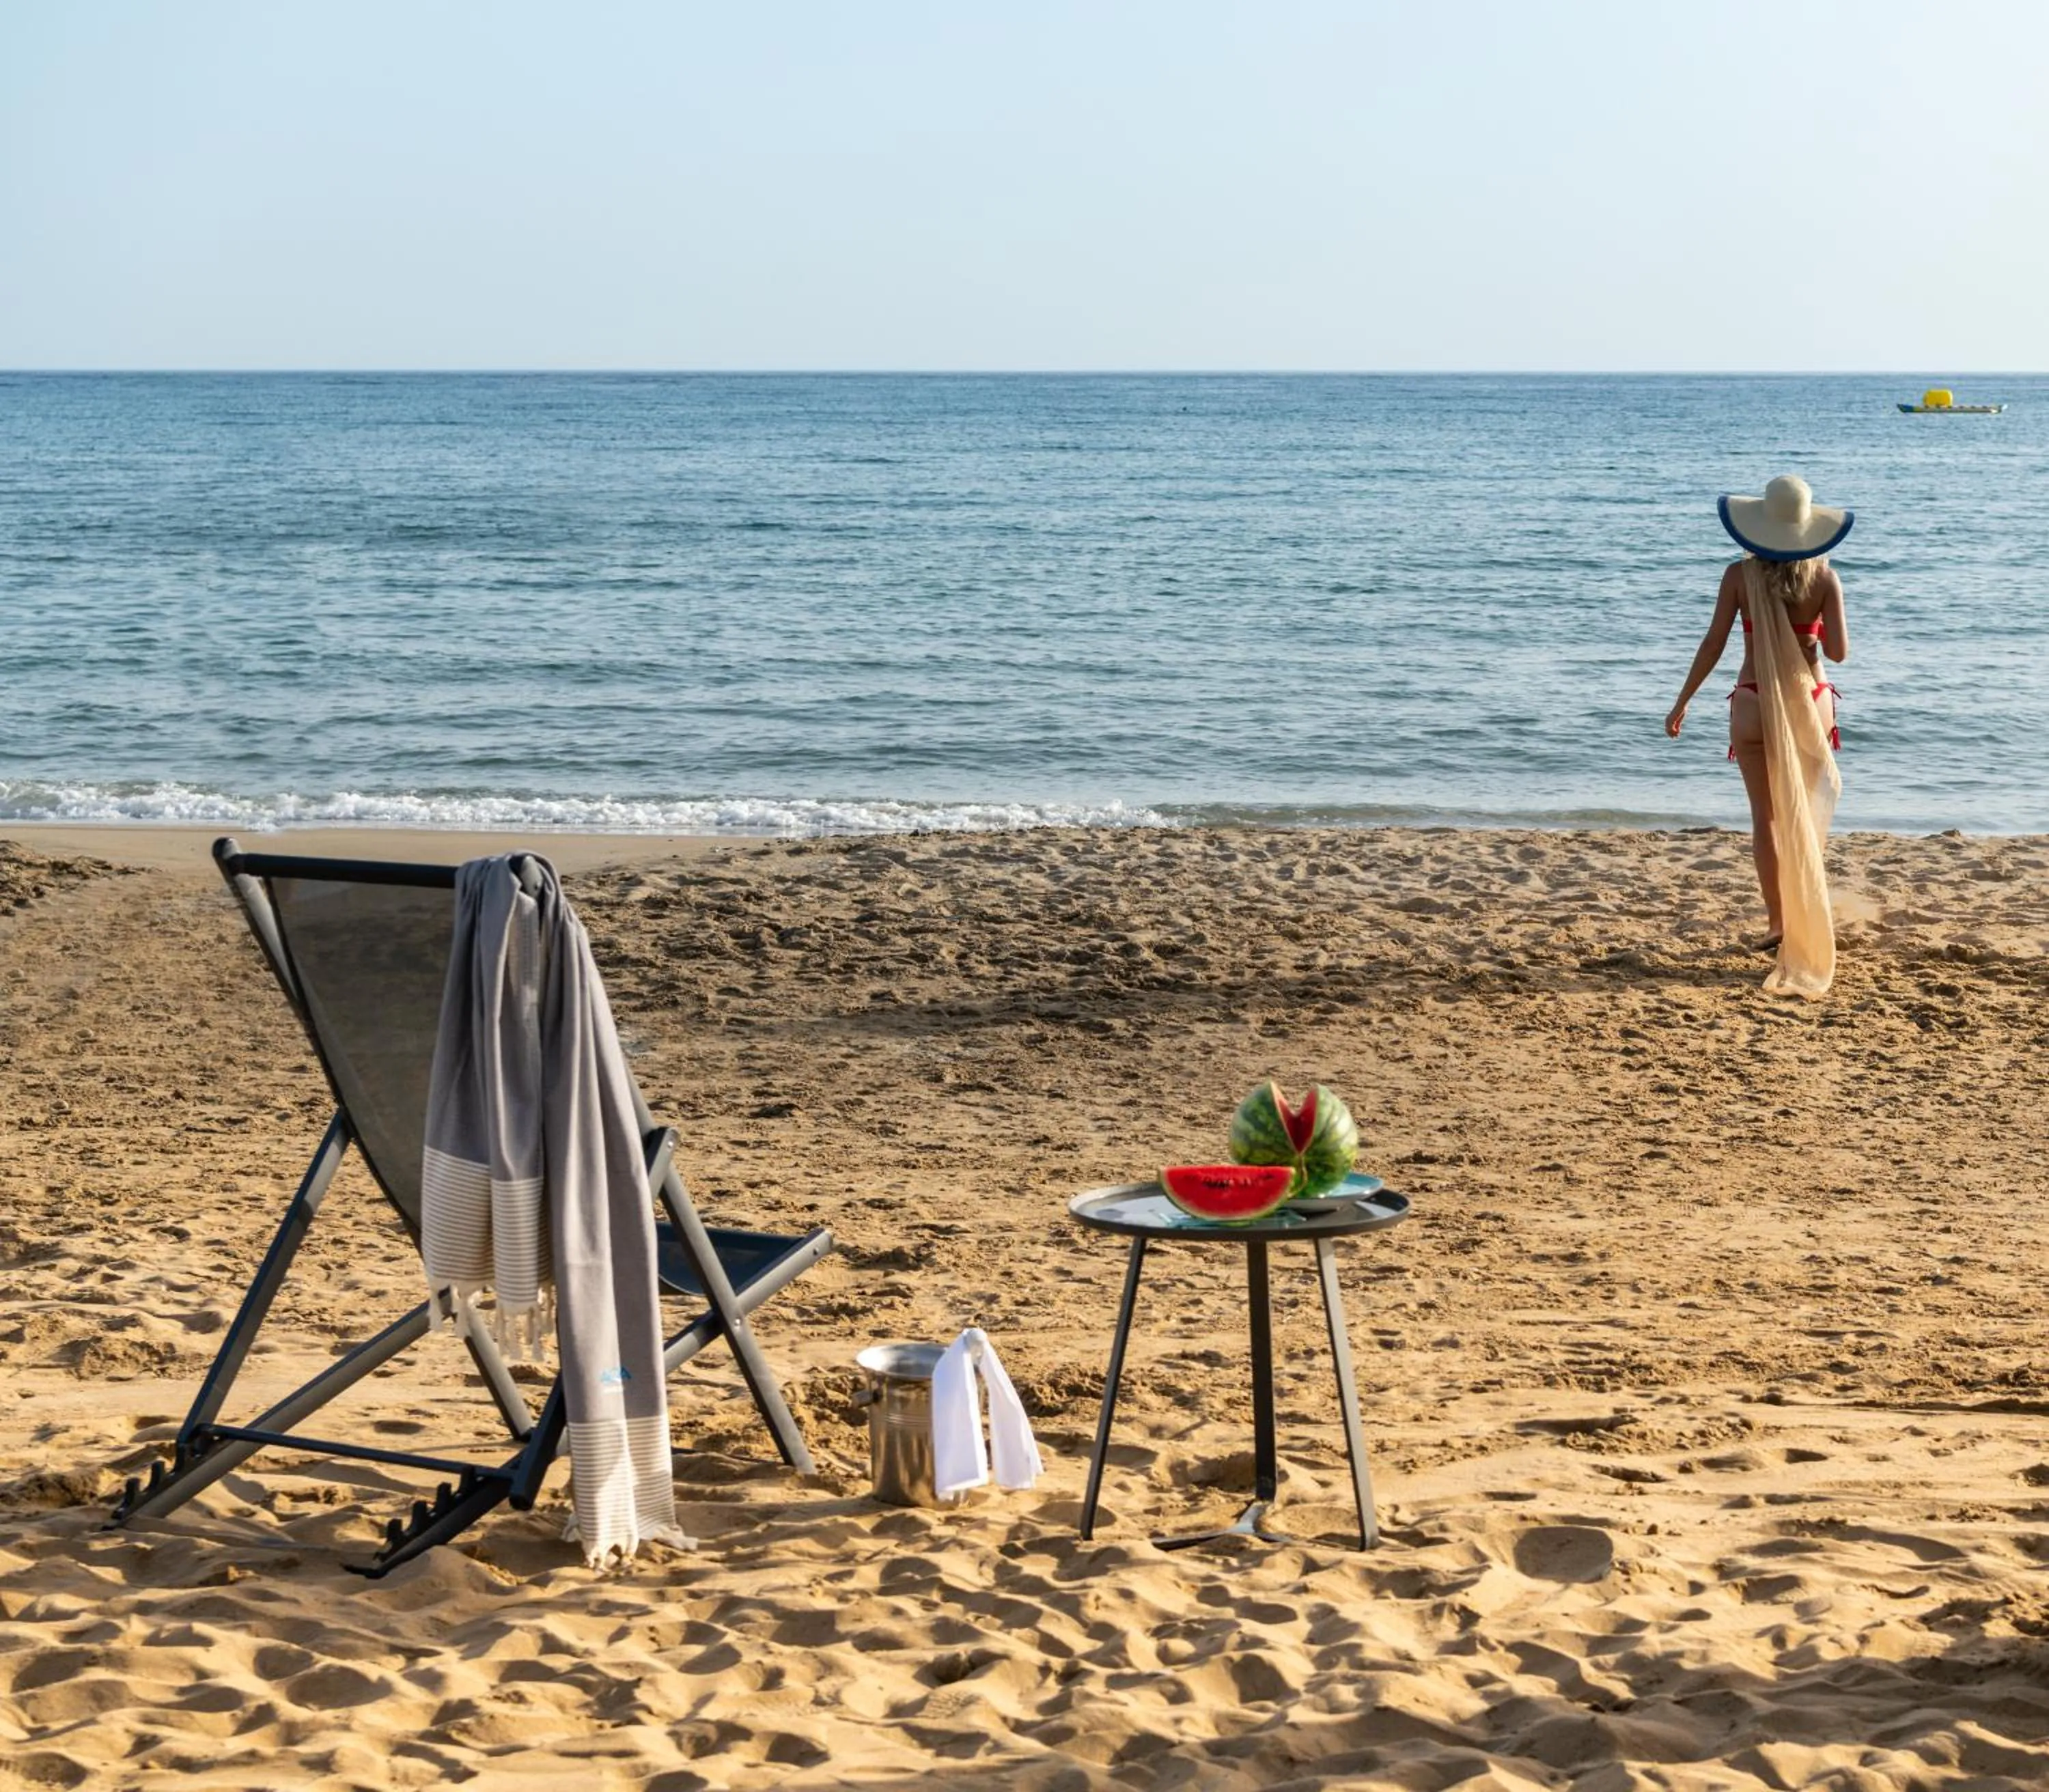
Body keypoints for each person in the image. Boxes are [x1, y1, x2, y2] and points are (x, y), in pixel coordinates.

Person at [1665, 475, 1852, 998]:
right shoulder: (1826, 579)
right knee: (1804, 815)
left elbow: (1713, 644)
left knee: (1765, 818)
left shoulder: (1738, 577)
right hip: (1809, 705)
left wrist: (1682, 702)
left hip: (1752, 701)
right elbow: (1838, 654)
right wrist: (1809, 632)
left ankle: (1777, 922)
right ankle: (1806, 912)